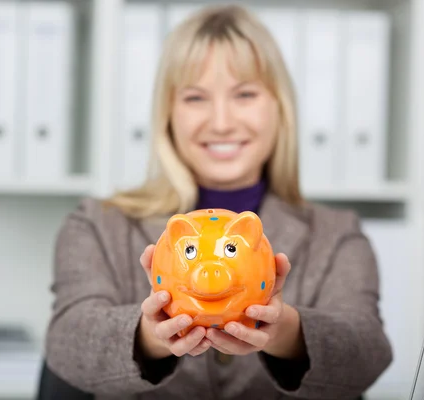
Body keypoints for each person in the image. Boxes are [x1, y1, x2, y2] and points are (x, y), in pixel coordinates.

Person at [43, 4, 392, 400]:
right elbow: (66, 341)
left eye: (244, 94)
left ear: (279, 108)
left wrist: (286, 333)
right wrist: (151, 336)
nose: (222, 121)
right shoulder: (96, 225)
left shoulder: (336, 234)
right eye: (195, 98)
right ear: (168, 114)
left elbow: (368, 352)